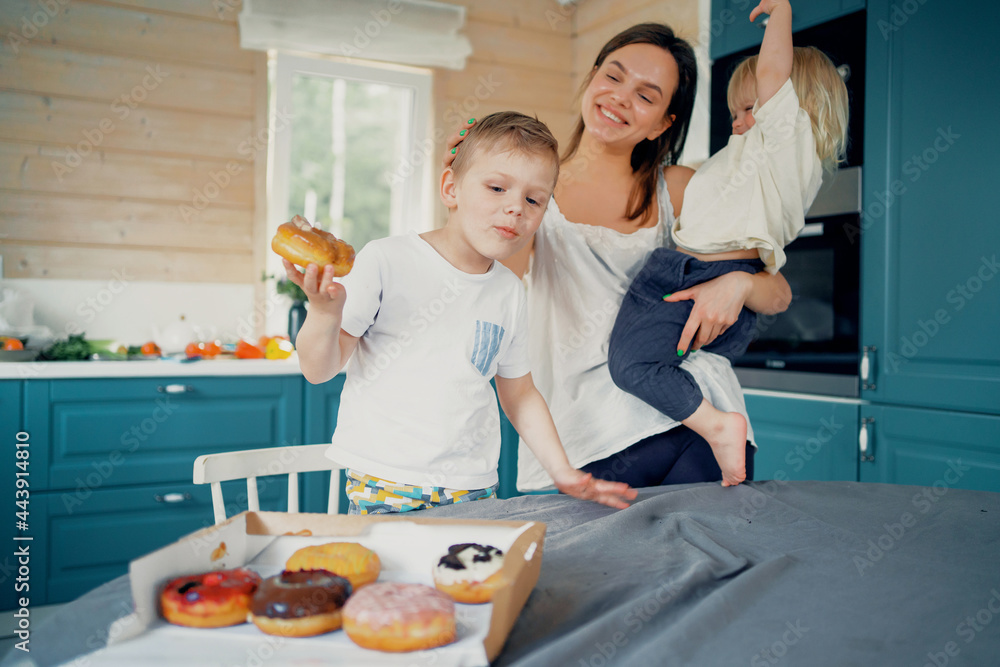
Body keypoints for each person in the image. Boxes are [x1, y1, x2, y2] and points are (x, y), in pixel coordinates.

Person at [445, 16, 794, 492]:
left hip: (694, 421)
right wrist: (470, 188)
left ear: (664, 123)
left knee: (712, 563)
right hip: (586, 438)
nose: (621, 97)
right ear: (591, 79)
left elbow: (777, 294)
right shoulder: (532, 191)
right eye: (613, 75)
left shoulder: (681, 190)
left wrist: (738, 284)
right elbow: (480, 273)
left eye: (647, 95)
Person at [284, 111, 636, 514]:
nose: (516, 208)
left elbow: (519, 394)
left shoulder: (509, 291)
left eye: (534, 199)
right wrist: (325, 315)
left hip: (474, 490)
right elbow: (318, 370)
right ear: (451, 188)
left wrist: (561, 470)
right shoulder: (386, 259)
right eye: (497, 187)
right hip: (383, 483)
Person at [606, 0, 849, 486]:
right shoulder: (739, 160)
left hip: (701, 276)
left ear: (788, 107)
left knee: (630, 365)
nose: (737, 121)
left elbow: (775, 71)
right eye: (735, 111)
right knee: (641, 364)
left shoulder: (783, 141)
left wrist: (781, 14)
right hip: (693, 275)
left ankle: (718, 427)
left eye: (750, 107)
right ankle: (710, 424)